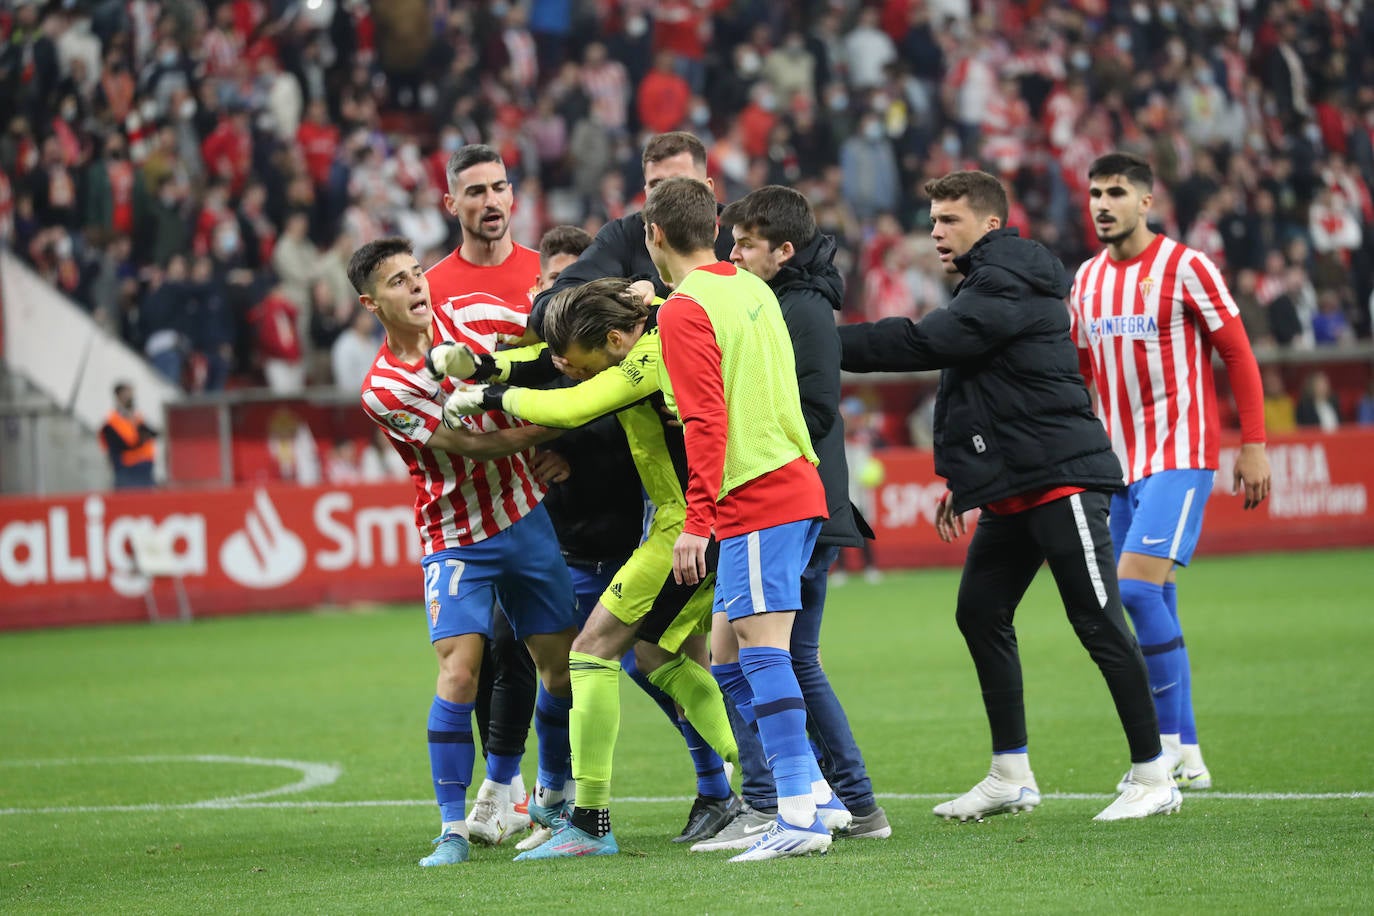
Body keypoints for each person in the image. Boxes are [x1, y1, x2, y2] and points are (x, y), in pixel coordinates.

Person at [839, 169, 1179, 822]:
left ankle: (1154, 772)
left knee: (1100, 621)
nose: (936, 231)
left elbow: (924, 342)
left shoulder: (1006, 281)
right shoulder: (990, 286)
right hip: (1016, 486)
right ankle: (1010, 774)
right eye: (933, 220)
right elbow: (983, 395)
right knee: (980, 611)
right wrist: (966, 481)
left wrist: (816, 341)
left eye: (950, 220)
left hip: (1063, 481)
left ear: (990, 224)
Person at [436, 276, 744, 859]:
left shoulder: (652, 353)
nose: (569, 370)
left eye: (578, 361)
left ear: (612, 340)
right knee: (651, 656)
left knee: (592, 650)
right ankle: (774, 776)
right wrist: (484, 367)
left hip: (694, 520)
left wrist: (489, 398)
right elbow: (548, 365)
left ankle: (594, 824)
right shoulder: (642, 325)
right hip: (685, 518)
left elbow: (576, 404)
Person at [348, 236, 578, 867]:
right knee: (459, 672)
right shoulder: (382, 388)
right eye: (397, 281)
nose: (416, 285)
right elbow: (471, 445)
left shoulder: (476, 321)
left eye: (417, 273)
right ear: (372, 303)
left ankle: (551, 800)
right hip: (454, 536)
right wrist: (565, 421)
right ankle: (452, 829)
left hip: (525, 516)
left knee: (560, 667)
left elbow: (539, 352)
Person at [688, 185, 890, 852]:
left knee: (782, 657)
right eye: (731, 240)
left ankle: (829, 803)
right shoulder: (772, 299)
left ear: (784, 250)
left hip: (787, 498)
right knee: (742, 654)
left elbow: (818, 410)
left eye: (747, 244)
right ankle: (823, 798)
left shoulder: (799, 309)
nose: (735, 253)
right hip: (792, 496)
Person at [652, 175, 845, 860]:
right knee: (730, 652)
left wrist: (697, 521)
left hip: (757, 492)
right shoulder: (752, 287)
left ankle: (799, 816)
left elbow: (706, 420)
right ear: (714, 229)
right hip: (784, 481)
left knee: (763, 650)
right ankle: (813, 792)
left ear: (654, 236)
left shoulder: (682, 309)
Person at [1071, 152, 1271, 793]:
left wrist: (1255, 443)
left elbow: (1237, 353)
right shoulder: (1086, 280)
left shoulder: (1187, 267)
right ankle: (1186, 752)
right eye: (1095, 193)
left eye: (1117, 192)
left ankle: (1161, 748)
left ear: (1146, 203)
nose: (1103, 203)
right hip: (1117, 463)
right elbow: (1078, 373)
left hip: (1180, 455)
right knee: (1151, 596)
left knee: (1131, 590)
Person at [425, 144, 548, 847]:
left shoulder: (544, 274)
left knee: (535, 646)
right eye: (475, 192)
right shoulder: (433, 287)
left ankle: (530, 788)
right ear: (453, 205)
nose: (490, 201)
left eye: (500, 187)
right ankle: (512, 788)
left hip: (549, 485)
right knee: (489, 649)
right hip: (481, 494)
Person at [527, 131, 735, 339]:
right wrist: (629, 295)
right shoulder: (622, 236)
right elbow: (547, 310)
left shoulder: (741, 234)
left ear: (708, 189)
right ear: (645, 191)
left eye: (680, 183)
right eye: (656, 185)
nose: (667, 195)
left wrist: (653, 288)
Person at [100, 382, 157, 489]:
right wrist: (142, 438)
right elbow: (126, 444)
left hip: (145, 469)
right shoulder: (112, 422)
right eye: (127, 393)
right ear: (118, 396)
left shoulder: (137, 417)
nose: (131, 397)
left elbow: (152, 433)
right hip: (128, 471)